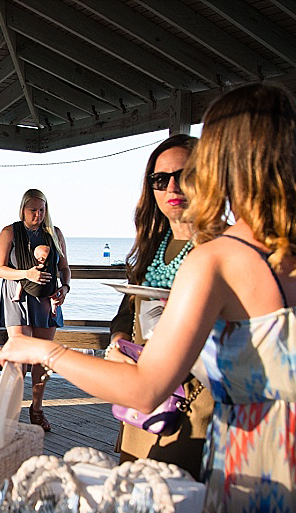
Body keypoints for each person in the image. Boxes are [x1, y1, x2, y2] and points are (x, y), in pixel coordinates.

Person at [0, 83, 296, 513]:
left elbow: (146, 387)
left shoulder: (219, 259)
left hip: (270, 471)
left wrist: (43, 352)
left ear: (219, 158)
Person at [106, 134, 215, 480]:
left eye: (186, 175)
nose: (172, 187)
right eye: (160, 179)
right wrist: (117, 344)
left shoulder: (219, 246)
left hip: (194, 403)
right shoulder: (153, 245)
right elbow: (127, 313)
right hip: (141, 405)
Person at [0, 189, 70, 432]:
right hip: (18, 297)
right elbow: (0, 270)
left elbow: (65, 268)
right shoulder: (9, 232)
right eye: (33, 210)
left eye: (42, 210)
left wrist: (65, 288)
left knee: (43, 357)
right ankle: (10, 412)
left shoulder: (54, 233)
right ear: (23, 210)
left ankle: (37, 408)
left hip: (47, 299)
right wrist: (26, 273)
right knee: (19, 357)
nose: (38, 215)